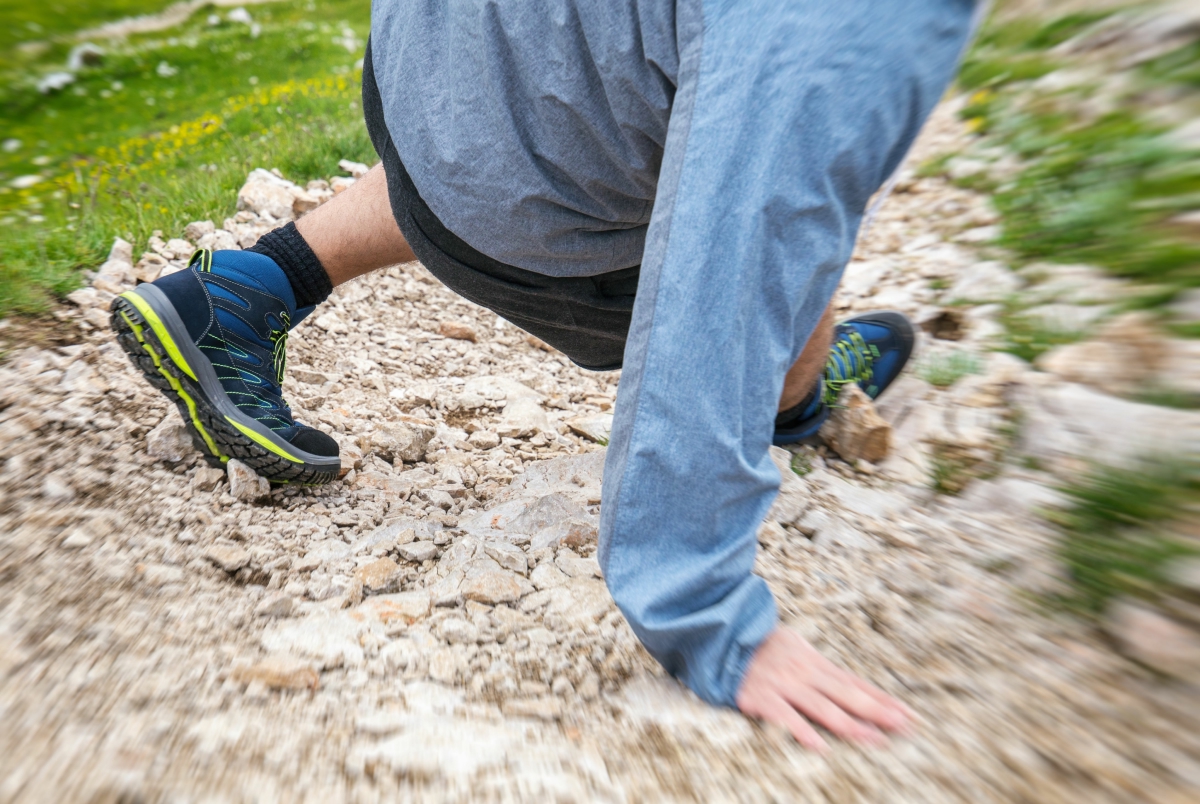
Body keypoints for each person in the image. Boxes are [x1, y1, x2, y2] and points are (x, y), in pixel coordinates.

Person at [110, 0, 979, 752]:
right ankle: (801, 402)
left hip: (419, 52)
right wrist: (707, 611)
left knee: (591, 69)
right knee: (770, 185)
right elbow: (735, 251)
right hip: (508, 185)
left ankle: (248, 288)